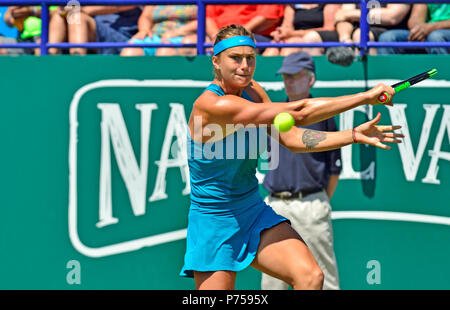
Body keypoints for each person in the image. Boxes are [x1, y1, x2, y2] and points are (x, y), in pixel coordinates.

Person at [180, 24, 404, 290]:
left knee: (311, 277)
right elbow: (299, 112)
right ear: (216, 61)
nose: (244, 66)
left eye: (250, 58)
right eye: (235, 58)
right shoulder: (211, 105)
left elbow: (294, 139)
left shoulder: (253, 91)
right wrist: (364, 98)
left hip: (251, 210)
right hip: (213, 220)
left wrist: (352, 134)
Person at [261, 52, 341, 290]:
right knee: (272, 283)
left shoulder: (325, 114)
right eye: (286, 76)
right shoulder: (272, 113)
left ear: (311, 79)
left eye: (295, 76)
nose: (289, 81)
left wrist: (319, 200)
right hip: (275, 207)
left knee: (324, 279)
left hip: (311, 206)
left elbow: (334, 169)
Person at [263, 4, 341, 57]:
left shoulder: (329, 3)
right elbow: (286, 26)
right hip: (293, 36)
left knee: (291, 45)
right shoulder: (292, 4)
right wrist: (279, 33)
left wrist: (293, 34)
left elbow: (329, 28)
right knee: (273, 47)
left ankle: (286, 77)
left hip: (319, 36)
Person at [120, 5, 198, 57]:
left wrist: (177, 32)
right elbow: (145, 17)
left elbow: (206, 20)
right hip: (155, 36)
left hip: (185, 36)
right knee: (130, 50)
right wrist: (144, 30)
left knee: (165, 51)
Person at [334, 3, 411, 55]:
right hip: (354, 31)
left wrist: (351, 14)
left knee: (361, 35)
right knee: (322, 38)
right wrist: (345, 38)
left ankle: (371, 77)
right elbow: (341, 17)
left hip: (391, 30)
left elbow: (392, 17)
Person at [205, 5, 285, 53]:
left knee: (243, 43)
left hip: (255, 34)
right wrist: (216, 36)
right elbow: (208, 17)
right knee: (193, 42)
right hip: (220, 35)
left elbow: (269, 16)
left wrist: (236, 34)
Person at [65, 5, 140, 55]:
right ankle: (53, 55)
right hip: (95, 29)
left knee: (77, 17)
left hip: (122, 38)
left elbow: (124, 4)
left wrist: (83, 10)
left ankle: (76, 62)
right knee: (58, 16)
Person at [378, 3, 450, 55]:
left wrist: (431, 27)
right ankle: (388, 75)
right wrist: (419, 30)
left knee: (436, 37)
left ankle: (442, 74)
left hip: (437, 33)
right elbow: (414, 21)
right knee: (387, 38)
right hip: (428, 32)